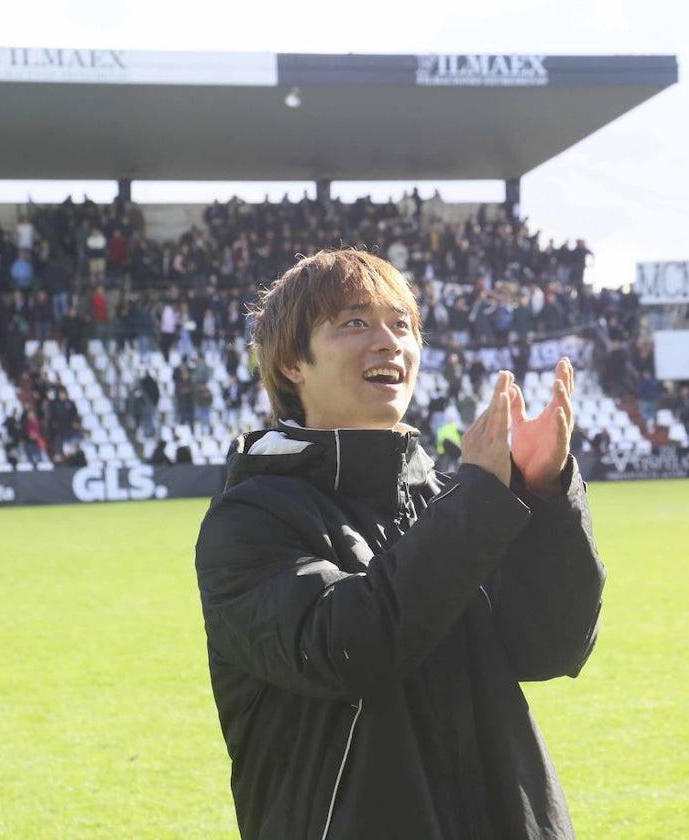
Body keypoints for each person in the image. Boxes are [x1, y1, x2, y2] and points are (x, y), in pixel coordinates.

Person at [195, 249, 605, 839]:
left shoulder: (450, 501)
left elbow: (553, 648)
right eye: (354, 323)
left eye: (403, 324)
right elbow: (348, 649)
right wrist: (482, 501)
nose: (389, 342)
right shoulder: (250, 520)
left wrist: (546, 498)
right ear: (290, 363)